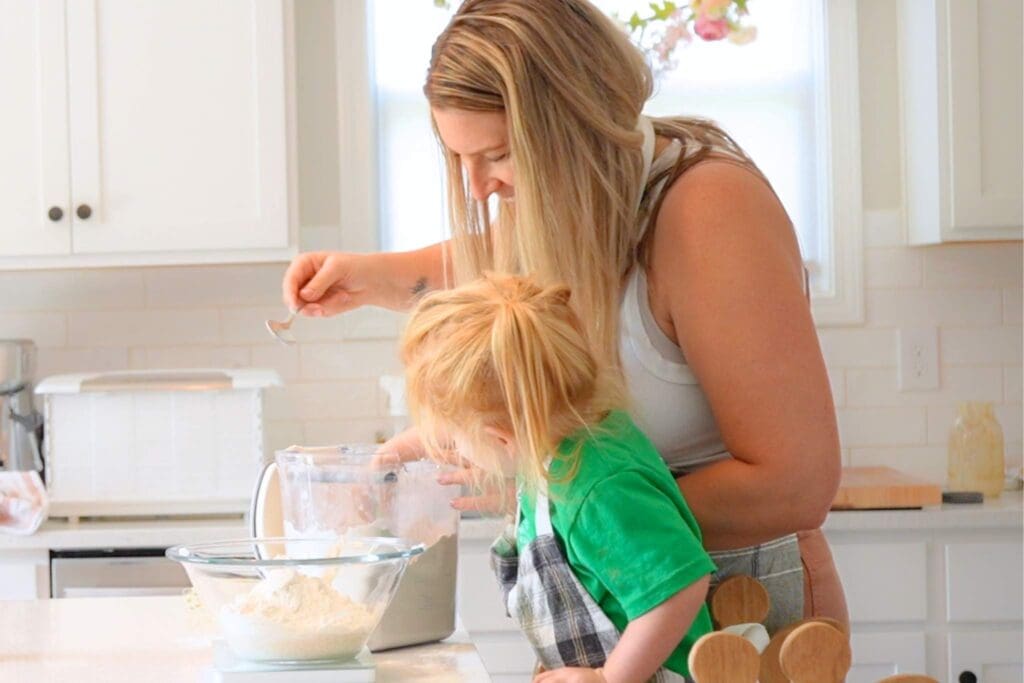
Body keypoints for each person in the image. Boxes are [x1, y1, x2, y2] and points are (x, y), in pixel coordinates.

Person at [282, 0, 847, 630]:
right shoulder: (569, 197)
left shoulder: (710, 211)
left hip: (738, 616)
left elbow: (796, 483)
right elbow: (492, 258)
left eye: (496, 155)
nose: (476, 189)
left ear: (574, 122)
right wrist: (368, 278)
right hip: (628, 613)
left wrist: (551, 488)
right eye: (457, 159)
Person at [403, 273, 715, 682]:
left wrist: (609, 677)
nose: (458, 451)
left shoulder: (599, 487)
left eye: (456, 438)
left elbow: (681, 587)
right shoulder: (567, 442)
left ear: (503, 438)